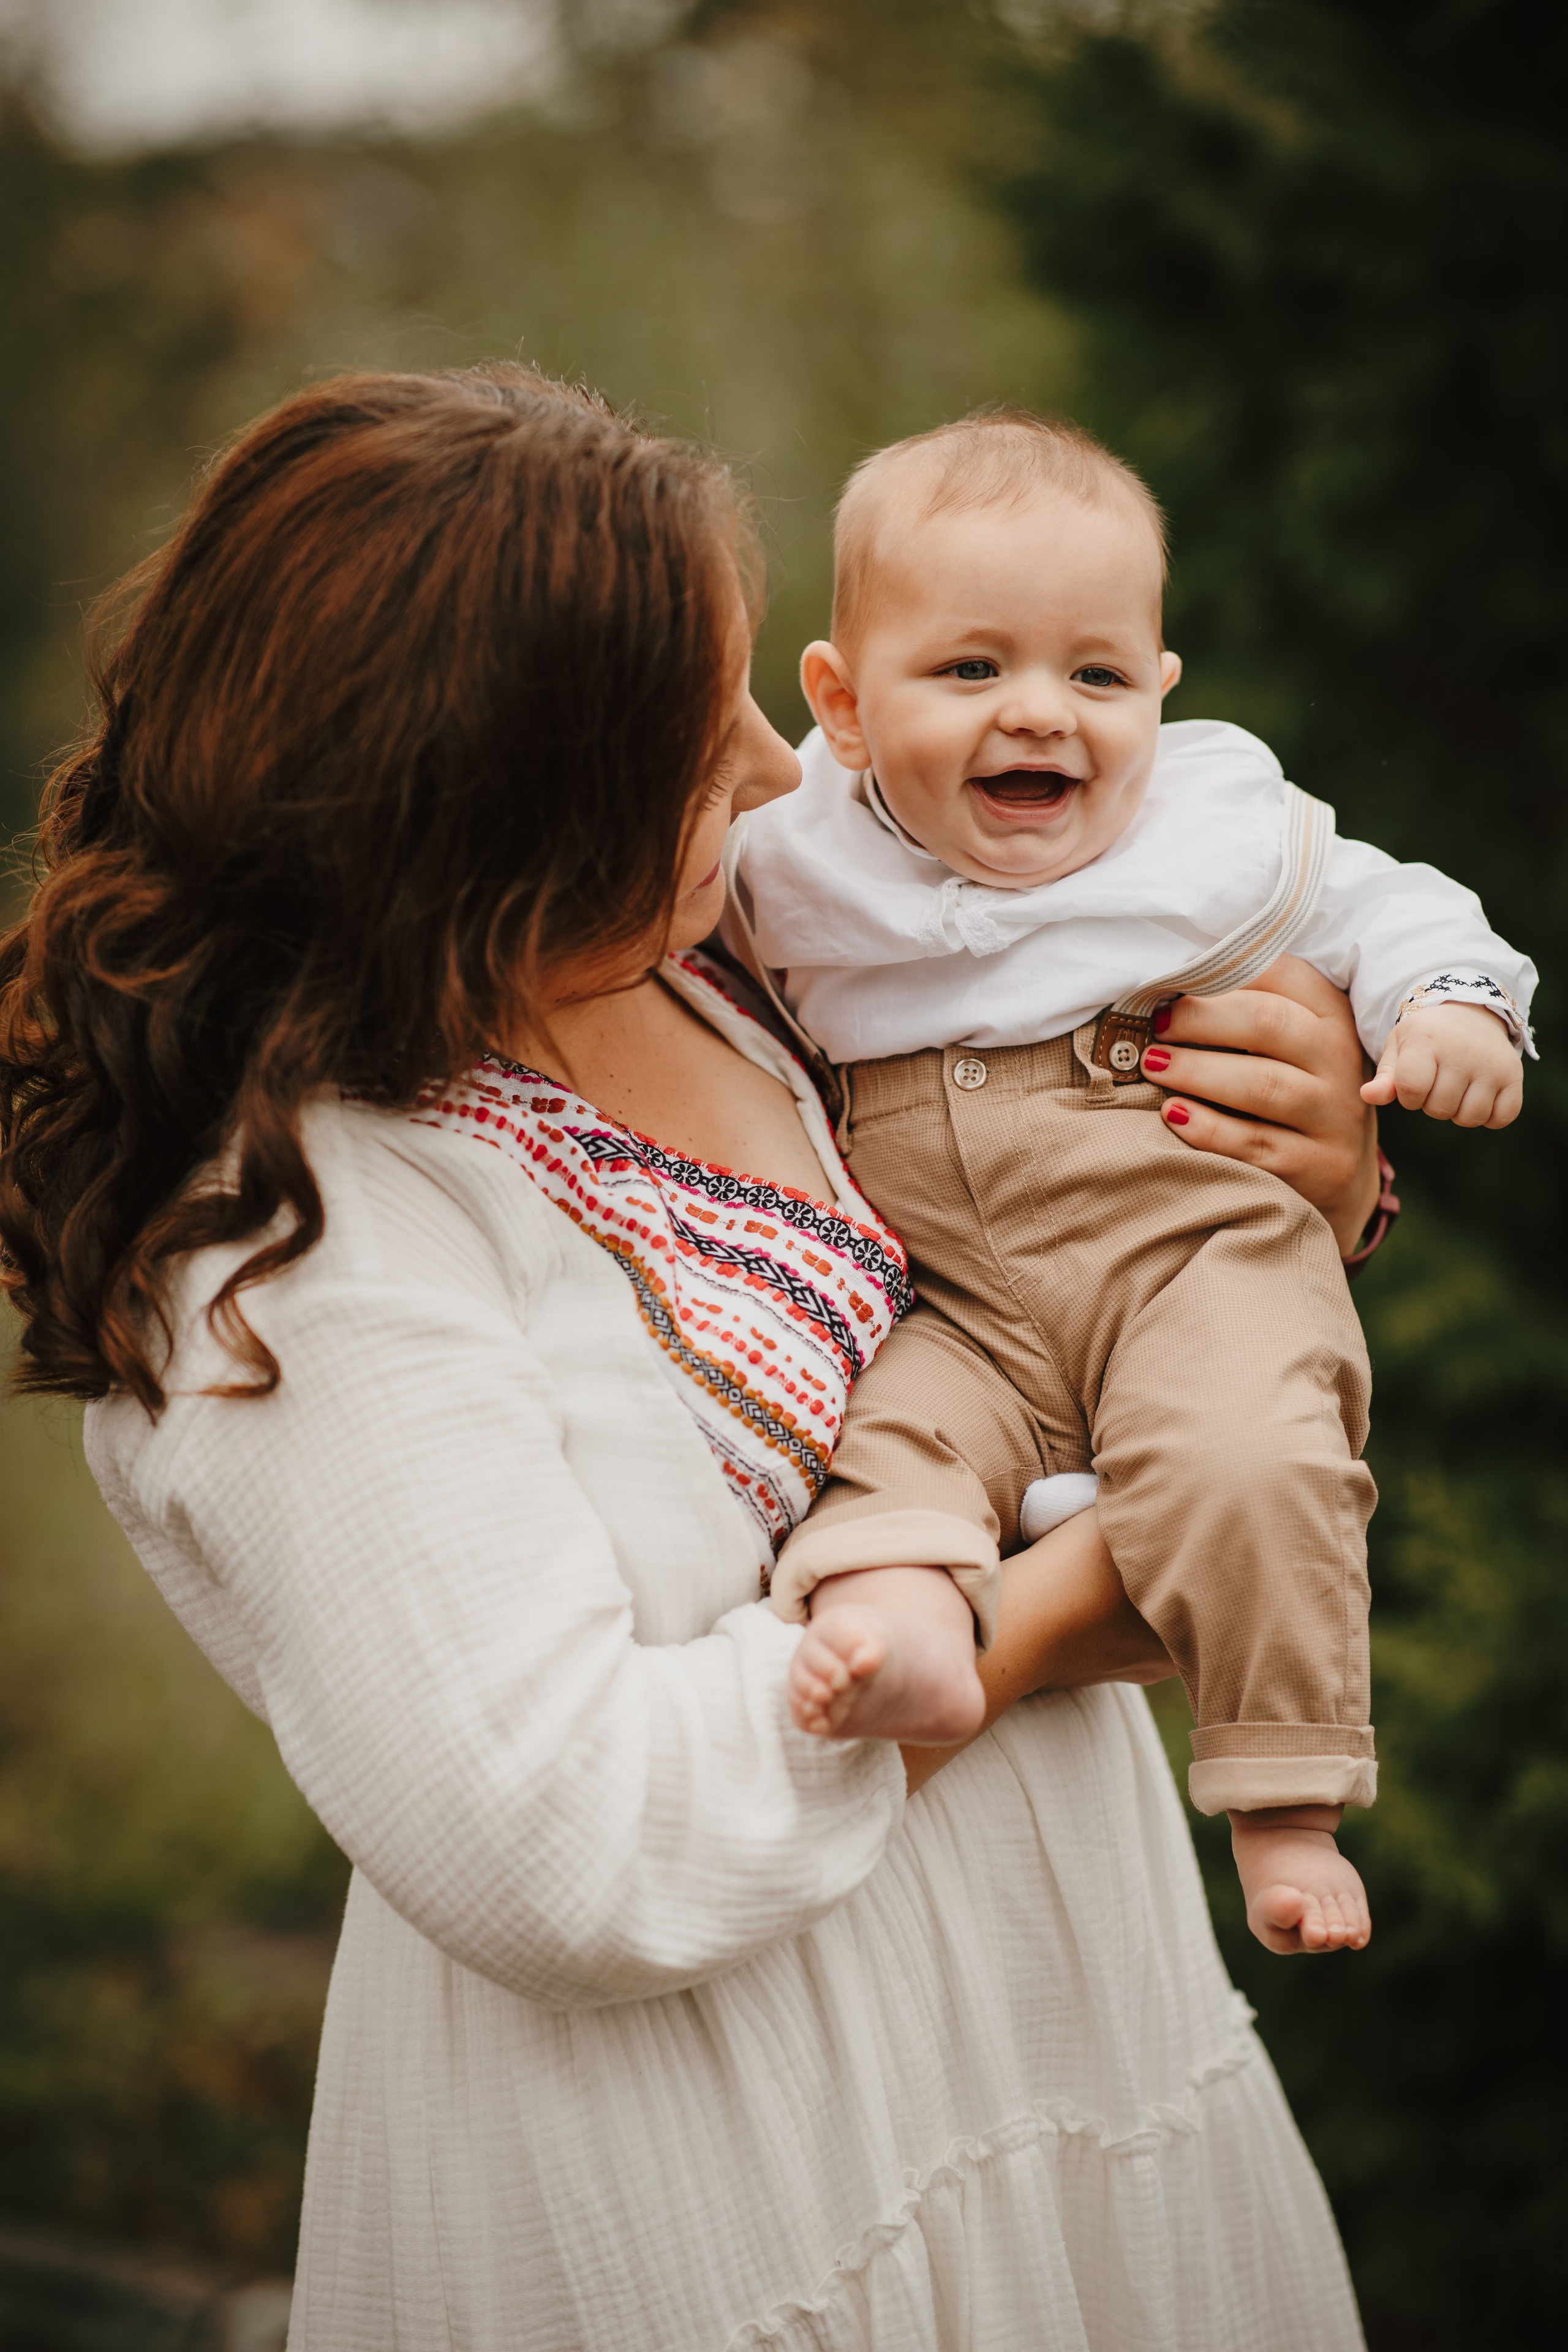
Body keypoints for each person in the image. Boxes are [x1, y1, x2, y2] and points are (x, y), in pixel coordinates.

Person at [1, 364, 1378, 2349]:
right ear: (485, 828)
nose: (771, 768)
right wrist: (1072, 1606)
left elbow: (1052, 1228)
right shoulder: (286, 1249)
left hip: (1063, 2027)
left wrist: (1313, 1155)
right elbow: (560, 1842)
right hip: (729, 2171)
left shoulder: (751, 955)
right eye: (685, 740)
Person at [726, 407, 1534, 1961]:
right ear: (839, 703)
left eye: (1095, 676)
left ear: (1159, 690)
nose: (1040, 713)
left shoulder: (1205, 829)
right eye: (970, 668)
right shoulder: (786, 856)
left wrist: (1448, 1007)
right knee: (879, 1450)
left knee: (1255, 1458)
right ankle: (900, 1630)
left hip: (1190, 1253)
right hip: (948, 1303)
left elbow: (1390, 904)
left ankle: (1281, 1798)